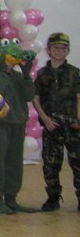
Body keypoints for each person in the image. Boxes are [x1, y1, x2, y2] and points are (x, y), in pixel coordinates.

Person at [0, 38, 37, 214]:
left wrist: (26, 75)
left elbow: (29, 95)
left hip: (17, 123)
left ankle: (11, 198)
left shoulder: (18, 76)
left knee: (14, 163)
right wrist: (3, 69)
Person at [32, 32, 80, 212]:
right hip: (52, 126)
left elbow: (79, 97)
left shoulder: (75, 72)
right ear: (48, 50)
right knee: (51, 164)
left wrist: (78, 120)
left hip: (73, 126)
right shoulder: (42, 74)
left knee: (78, 163)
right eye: (56, 47)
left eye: (64, 48)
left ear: (68, 50)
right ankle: (53, 197)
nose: (60, 51)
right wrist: (45, 119)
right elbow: (35, 98)